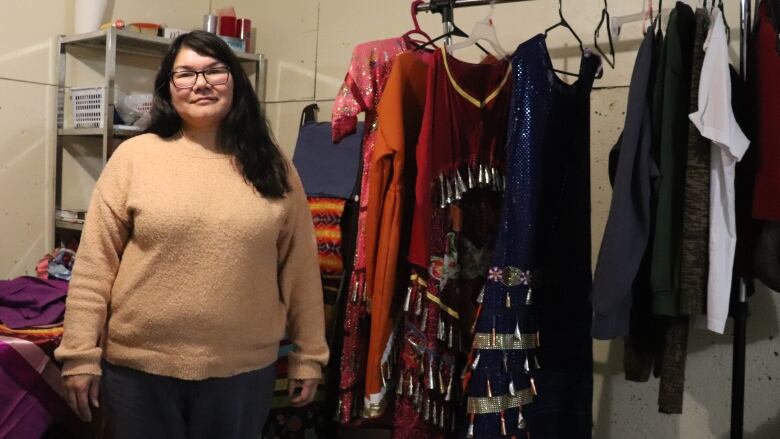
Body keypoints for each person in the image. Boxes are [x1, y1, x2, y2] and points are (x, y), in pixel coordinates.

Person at [54, 30, 329, 438]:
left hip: (241, 373)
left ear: (235, 81)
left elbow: (301, 268)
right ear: (169, 87)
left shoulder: (271, 164)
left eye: (215, 71)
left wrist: (309, 355)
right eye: (185, 74)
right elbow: (95, 266)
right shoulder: (134, 158)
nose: (200, 83)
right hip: (138, 372)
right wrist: (79, 356)